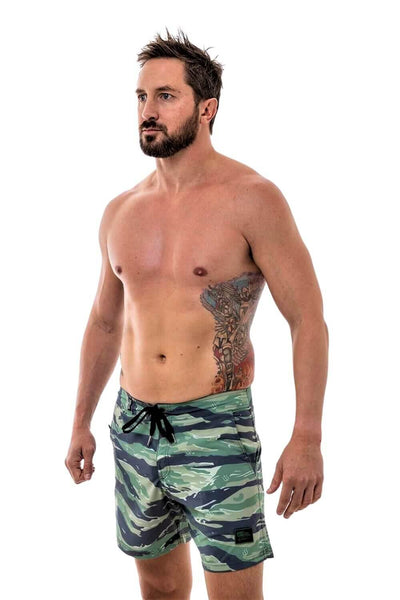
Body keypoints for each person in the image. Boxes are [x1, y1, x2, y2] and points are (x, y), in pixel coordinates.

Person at [65, 28, 328, 600]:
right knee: (159, 589)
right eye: (141, 97)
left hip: (216, 427)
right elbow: (105, 322)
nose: (148, 111)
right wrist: (80, 420)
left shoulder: (253, 199)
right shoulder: (121, 210)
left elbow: (308, 319)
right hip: (134, 424)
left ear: (206, 109)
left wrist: (307, 435)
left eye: (166, 96)